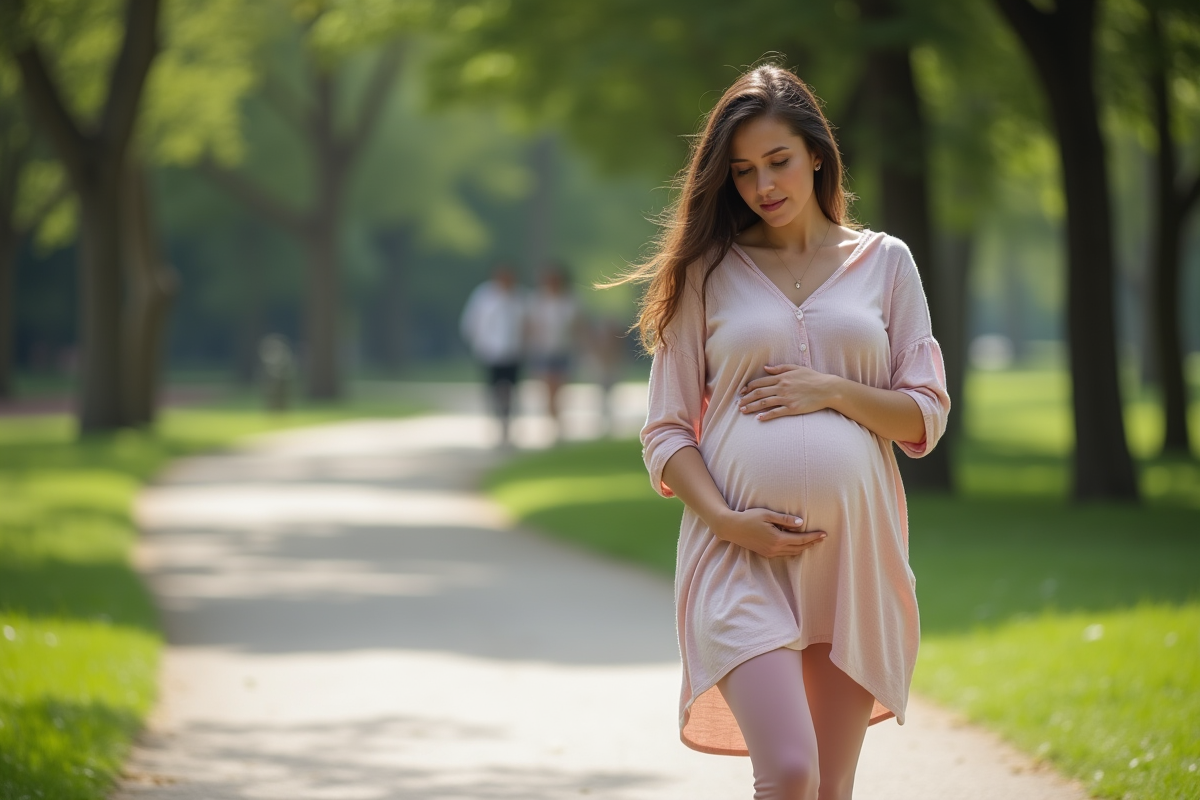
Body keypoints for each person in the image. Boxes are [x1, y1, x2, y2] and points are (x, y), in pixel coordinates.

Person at [622, 65, 950, 800]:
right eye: (742, 172)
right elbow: (667, 433)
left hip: (851, 560)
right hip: (739, 556)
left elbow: (925, 411)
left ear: (817, 156)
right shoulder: (707, 272)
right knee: (791, 773)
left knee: (830, 790)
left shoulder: (885, 263)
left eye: (778, 162)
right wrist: (730, 522)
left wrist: (830, 389)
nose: (763, 185)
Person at [460, 263, 527, 445]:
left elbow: (527, 324)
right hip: (490, 351)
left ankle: (508, 422)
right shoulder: (483, 296)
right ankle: (497, 421)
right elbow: (472, 322)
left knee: (511, 390)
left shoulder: (520, 297)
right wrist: (478, 344)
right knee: (494, 389)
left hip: (514, 351)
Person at [526, 264, 582, 437]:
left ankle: (555, 417)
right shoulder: (537, 301)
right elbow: (530, 326)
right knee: (548, 386)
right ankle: (553, 421)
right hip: (543, 350)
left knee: (559, 386)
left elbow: (577, 326)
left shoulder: (570, 301)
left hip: (563, 349)